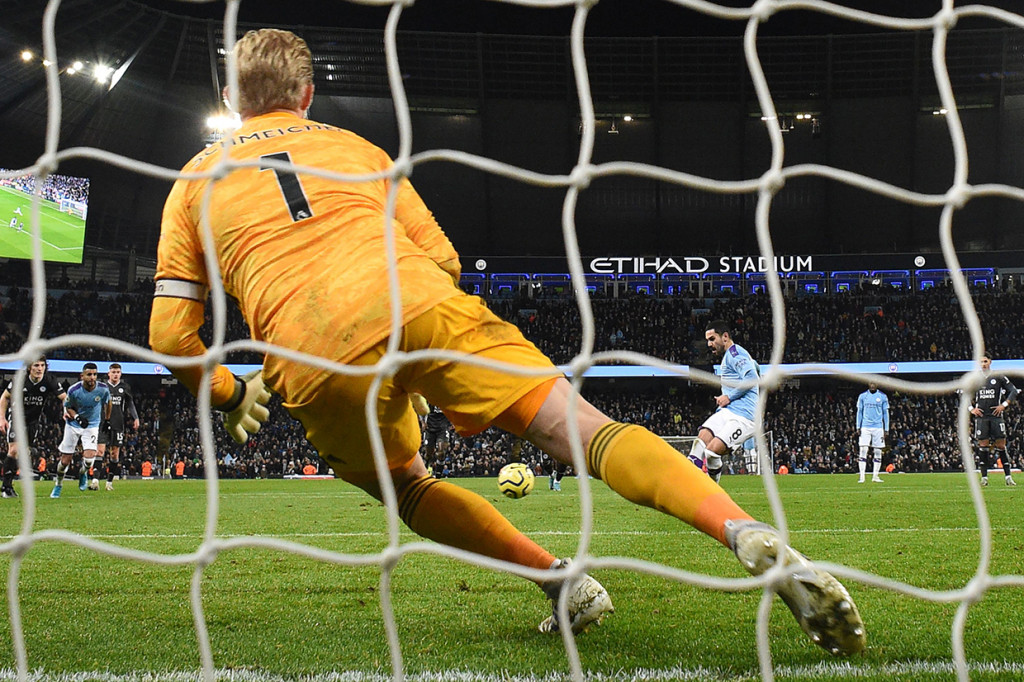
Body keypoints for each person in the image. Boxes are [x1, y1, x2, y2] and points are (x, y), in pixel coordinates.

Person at [147, 28, 864, 654]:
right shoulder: (359, 152)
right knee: (588, 430)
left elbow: (170, 333)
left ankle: (561, 585)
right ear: (306, 95)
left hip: (312, 354)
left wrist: (228, 393)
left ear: (234, 99)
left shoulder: (191, 184)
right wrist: (420, 363)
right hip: (421, 303)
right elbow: (445, 261)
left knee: (408, 487)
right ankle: (741, 532)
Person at [690, 321, 759, 484]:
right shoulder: (734, 355)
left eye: (712, 339)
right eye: (708, 340)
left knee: (712, 453)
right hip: (727, 412)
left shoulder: (735, 354)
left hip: (743, 416)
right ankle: (689, 480)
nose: (709, 344)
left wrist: (729, 397)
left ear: (725, 337)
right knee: (701, 439)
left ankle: (712, 491)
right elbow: (755, 368)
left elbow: (751, 378)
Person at [0, 357, 67, 498]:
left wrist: (66, 410)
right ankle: (6, 487)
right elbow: (5, 397)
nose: (39, 368)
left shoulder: (49, 380)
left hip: (34, 422)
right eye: (36, 365)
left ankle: (8, 485)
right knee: (14, 450)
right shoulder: (20, 379)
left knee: (22, 453)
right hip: (17, 418)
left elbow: (64, 397)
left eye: (42, 365)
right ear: (30, 367)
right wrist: (2, 418)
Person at [52, 362, 111, 498]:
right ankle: (58, 485)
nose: (92, 377)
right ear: (82, 376)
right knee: (65, 460)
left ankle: (83, 472)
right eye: (89, 374)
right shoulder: (74, 390)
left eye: (95, 374)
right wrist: (77, 417)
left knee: (90, 459)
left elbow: (109, 403)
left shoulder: (103, 389)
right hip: (73, 425)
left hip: (92, 425)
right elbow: (68, 407)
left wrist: (107, 420)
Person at [970, 355, 1019, 487]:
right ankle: (984, 478)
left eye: (985, 361)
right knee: (983, 445)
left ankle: (1008, 477)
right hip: (982, 417)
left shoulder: (998, 376)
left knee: (1001, 446)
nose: (983, 364)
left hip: (996, 417)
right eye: (981, 362)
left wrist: (1004, 405)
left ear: (990, 362)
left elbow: (1013, 391)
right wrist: (971, 408)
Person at [96, 362, 139, 491]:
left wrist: (135, 417)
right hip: (103, 423)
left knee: (114, 454)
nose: (115, 374)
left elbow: (130, 403)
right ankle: (95, 480)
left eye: (117, 372)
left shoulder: (124, 387)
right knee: (100, 451)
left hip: (118, 424)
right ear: (109, 373)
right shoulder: (102, 387)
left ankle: (109, 482)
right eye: (113, 372)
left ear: (120, 374)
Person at [856, 383, 889, 484]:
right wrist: (858, 426)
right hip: (865, 426)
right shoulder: (862, 396)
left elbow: (885, 413)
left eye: (874, 383)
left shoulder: (883, 397)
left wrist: (886, 428)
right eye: (871, 383)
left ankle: (875, 476)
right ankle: (862, 477)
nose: (872, 385)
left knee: (878, 451)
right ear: (868, 384)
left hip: (878, 427)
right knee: (863, 450)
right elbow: (859, 412)